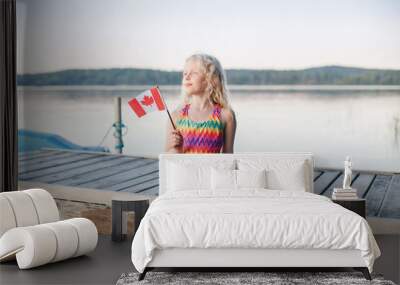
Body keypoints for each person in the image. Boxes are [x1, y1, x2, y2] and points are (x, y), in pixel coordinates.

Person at [165, 53, 236, 153]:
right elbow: (167, 158)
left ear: (210, 79)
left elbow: (228, 156)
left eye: (194, 73)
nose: (187, 77)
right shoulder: (176, 116)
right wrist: (174, 148)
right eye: (185, 73)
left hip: (212, 169)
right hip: (184, 168)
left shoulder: (226, 116)